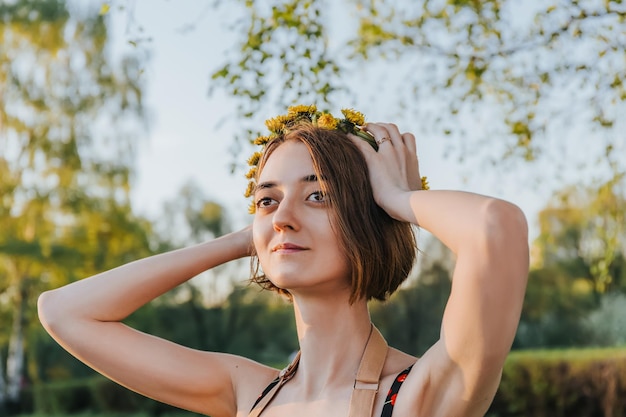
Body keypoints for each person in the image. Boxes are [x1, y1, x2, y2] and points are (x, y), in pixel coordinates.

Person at [38, 105, 529, 417]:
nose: (283, 218)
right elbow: (64, 312)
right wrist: (251, 237)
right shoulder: (246, 393)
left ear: (370, 214)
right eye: (267, 200)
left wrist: (398, 199)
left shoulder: (417, 396)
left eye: (319, 196)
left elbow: (496, 228)